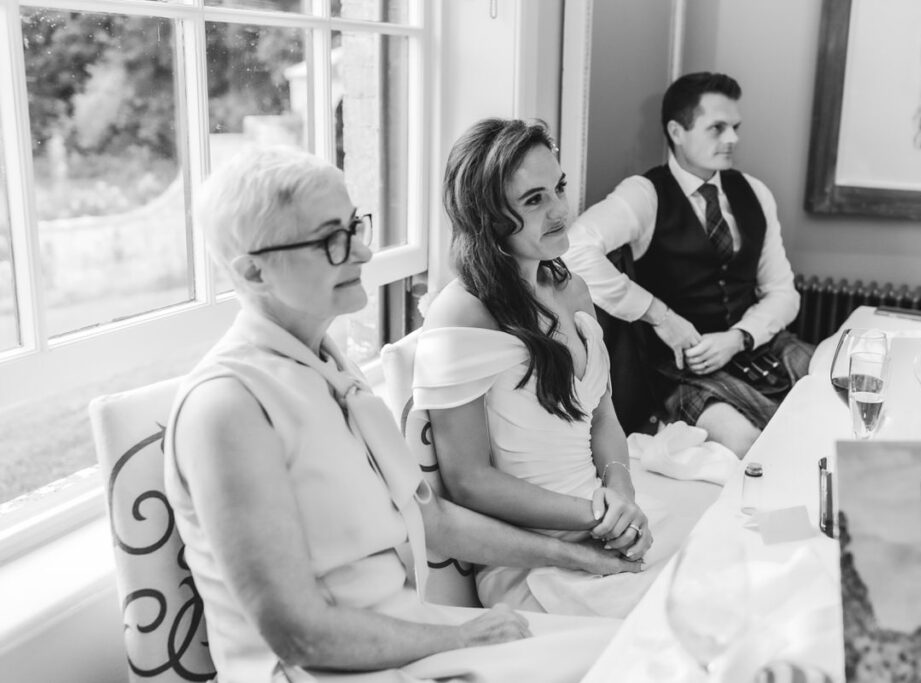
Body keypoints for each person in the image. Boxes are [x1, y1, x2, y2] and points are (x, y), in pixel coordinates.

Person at [163, 145, 636, 683]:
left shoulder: (330, 368)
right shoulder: (227, 406)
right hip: (329, 669)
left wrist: (575, 557)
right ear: (254, 272)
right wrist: (459, 636)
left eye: (354, 227)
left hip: (410, 635)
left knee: (643, 648)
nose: (363, 253)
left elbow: (432, 521)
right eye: (330, 240)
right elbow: (299, 635)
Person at [414, 119, 697, 619]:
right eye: (534, 200)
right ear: (487, 218)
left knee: (730, 564)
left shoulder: (573, 288)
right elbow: (469, 481)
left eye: (559, 188)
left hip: (599, 516)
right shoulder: (463, 313)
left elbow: (603, 415)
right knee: (686, 617)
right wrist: (598, 515)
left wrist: (621, 492)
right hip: (532, 558)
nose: (560, 211)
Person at [563, 71, 814, 457]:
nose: (733, 139)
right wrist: (661, 317)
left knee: (834, 393)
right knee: (751, 444)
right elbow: (574, 249)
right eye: (717, 128)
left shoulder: (755, 193)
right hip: (681, 369)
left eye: (735, 127)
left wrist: (739, 337)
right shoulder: (644, 194)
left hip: (756, 345)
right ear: (677, 131)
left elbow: (783, 293)